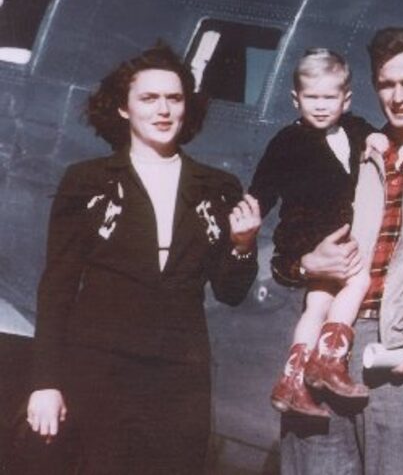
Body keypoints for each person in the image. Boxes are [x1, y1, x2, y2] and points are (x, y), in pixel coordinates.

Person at [26, 43, 261, 475]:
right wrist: (46, 382)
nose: (163, 110)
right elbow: (57, 285)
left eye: (174, 98)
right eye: (148, 98)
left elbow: (229, 291)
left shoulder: (217, 186)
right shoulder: (87, 181)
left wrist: (242, 245)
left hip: (179, 375)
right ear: (122, 108)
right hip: (100, 369)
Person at [274, 27, 403, 475]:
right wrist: (302, 262)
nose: (399, 96)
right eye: (387, 85)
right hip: (332, 337)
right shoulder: (354, 149)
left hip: (402, 350)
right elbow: (297, 225)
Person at [249, 48, 384, 417]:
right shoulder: (288, 141)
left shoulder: (355, 129)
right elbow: (263, 187)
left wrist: (377, 140)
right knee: (358, 282)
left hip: (332, 235)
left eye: (330, 97)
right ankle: (329, 360)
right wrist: (250, 216)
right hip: (311, 234)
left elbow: (372, 134)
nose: (321, 106)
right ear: (296, 99)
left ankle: (291, 381)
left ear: (346, 98)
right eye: (311, 97)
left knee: (317, 304)